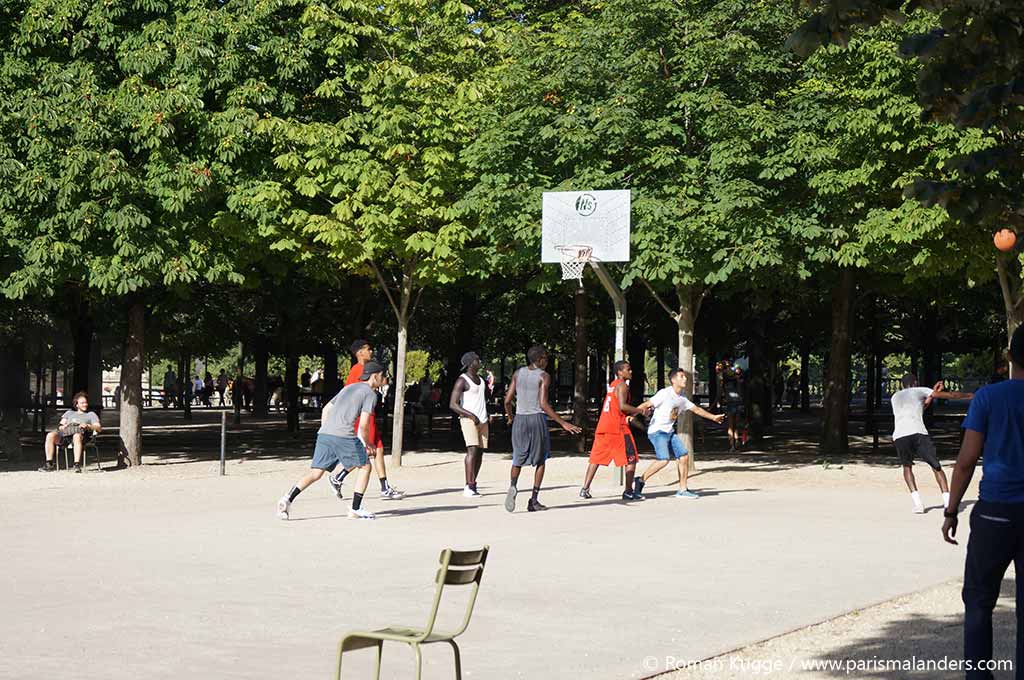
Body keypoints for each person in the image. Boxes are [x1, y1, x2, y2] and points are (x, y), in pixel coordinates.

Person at [943, 325, 1024, 679]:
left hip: (995, 512)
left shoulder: (988, 398)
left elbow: (965, 461)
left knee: (978, 601)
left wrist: (951, 509)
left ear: (1009, 356)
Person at [275, 362, 387, 521]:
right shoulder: (370, 394)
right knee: (366, 466)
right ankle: (355, 508)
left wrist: (326, 430)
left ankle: (287, 499)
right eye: (383, 376)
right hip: (344, 434)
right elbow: (363, 425)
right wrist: (368, 443)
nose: (384, 379)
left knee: (315, 473)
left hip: (325, 433)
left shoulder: (348, 388)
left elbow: (326, 409)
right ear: (374, 376)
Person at [503, 345, 582, 512]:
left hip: (520, 419)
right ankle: (534, 499)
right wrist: (563, 423)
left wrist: (511, 417)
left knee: (518, 458)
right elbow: (543, 404)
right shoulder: (543, 376)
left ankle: (513, 486)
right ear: (538, 360)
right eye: (545, 358)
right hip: (536, 419)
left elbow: (507, 400)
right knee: (540, 460)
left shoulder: (518, 373)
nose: (547, 361)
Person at [328, 339, 403, 500]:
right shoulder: (357, 370)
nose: (371, 351)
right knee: (367, 451)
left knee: (378, 449)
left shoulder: (366, 368)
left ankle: (384, 486)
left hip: (368, 414)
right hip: (362, 416)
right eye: (368, 349)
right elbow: (351, 393)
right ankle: (338, 478)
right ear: (360, 352)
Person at [633, 369, 725, 498]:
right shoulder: (664, 393)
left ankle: (682, 489)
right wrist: (632, 414)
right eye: (681, 377)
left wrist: (713, 417)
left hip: (669, 432)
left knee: (683, 456)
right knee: (663, 460)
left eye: (685, 377)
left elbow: (696, 409)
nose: (685, 379)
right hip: (657, 431)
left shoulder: (682, 398)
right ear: (673, 380)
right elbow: (647, 403)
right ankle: (640, 480)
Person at [892, 373, 973, 514]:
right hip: (918, 432)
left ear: (902, 384)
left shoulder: (896, 397)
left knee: (907, 467)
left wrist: (933, 392)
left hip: (900, 435)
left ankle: (918, 504)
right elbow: (951, 396)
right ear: (915, 382)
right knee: (936, 466)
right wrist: (970, 396)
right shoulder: (919, 390)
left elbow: (920, 407)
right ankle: (947, 502)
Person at [579, 360, 644, 501]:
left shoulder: (612, 386)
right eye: (628, 369)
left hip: (603, 426)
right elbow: (622, 406)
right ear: (620, 372)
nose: (630, 371)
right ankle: (628, 490)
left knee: (595, 459)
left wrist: (630, 416)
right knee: (631, 458)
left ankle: (585, 489)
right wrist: (640, 410)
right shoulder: (622, 385)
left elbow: (615, 406)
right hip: (617, 428)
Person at [449, 352, 489, 497]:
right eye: (478, 360)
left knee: (480, 452)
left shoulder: (481, 380)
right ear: (472, 363)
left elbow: (481, 400)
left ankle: (473, 483)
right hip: (469, 420)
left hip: (483, 420)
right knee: (472, 450)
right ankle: (468, 485)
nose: (480, 362)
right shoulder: (462, 380)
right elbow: (453, 404)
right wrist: (471, 415)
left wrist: (486, 415)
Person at [39, 391, 102, 473]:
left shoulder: (91, 414)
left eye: (86, 402)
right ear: (76, 404)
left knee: (76, 436)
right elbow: (60, 426)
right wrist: (63, 426)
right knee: (50, 435)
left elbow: (99, 428)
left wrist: (88, 426)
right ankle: (49, 463)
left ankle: (76, 464)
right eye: (82, 403)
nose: (85, 404)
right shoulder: (69, 413)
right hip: (66, 435)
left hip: (81, 436)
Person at [721, 363, 745, 451]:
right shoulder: (738, 382)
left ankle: (732, 445)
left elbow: (722, 394)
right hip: (738, 403)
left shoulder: (725, 384)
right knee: (737, 425)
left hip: (730, 404)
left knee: (730, 426)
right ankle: (737, 440)